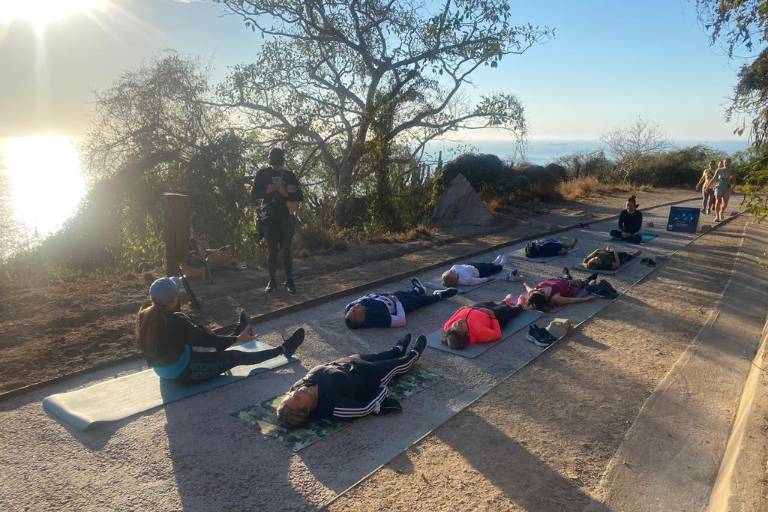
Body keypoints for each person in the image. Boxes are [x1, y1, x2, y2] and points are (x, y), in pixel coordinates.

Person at [136, 277, 305, 383]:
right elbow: (210, 342)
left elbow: (199, 338)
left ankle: (238, 332)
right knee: (234, 357)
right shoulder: (177, 322)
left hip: (164, 370)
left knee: (202, 335)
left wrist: (234, 337)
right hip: (182, 373)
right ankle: (282, 349)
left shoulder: (145, 315)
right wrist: (239, 339)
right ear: (174, 299)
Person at [276, 334, 428, 428]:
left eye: (290, 394)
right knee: (398, 364)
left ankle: (397, 349)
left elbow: (291, 396)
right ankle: (414, 354)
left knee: (383, 354)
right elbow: (364, 408)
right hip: (370, 376)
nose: (295, 392)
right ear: (307, 410)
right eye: (296, 397)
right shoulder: (330, 407)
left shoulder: (298, 387)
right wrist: (383, 389)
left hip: (350, 361)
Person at [251, 147, 303, 293]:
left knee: (287, 248)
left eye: (278, 161)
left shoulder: (289, 175)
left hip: (286, 215)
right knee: (272, 249)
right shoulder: (262, 174)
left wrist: (284, 191)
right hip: (269, 216)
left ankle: (289, 280)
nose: (277, 165)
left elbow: (298, 196)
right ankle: (272, 280)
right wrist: (268, 190)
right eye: (274, 161)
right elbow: (254, 194)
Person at [344, 278, 458, 329]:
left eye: (351, 309)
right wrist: (397, 303)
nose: (355, 306)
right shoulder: (376, 318)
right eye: (355, 310)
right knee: (420, 301)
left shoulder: (350, 308)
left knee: (406, 293)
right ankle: (439, 295)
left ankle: (418, 290)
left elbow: (356, 303)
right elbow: (401, 321)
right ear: (362, 318)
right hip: (400, 304)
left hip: (384, 296)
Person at [442, 298, 523, 349]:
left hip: (477, 308)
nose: (458, 321)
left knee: (491, 302)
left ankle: (505, 301)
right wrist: (492, 316)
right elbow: (497, 335)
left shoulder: (447, 326)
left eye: (455, 324)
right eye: (460, 325)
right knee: (506, 309)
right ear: (466, 334)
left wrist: (463, 308)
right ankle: (520, 304)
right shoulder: (480, 333)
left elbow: (457, 313)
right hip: (494, 315)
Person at [522, 269, 597, 311]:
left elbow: (530, 290)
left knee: (564, 277)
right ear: (544, 297)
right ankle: (589, 279)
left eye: (537, 289)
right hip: (570, 286)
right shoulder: (555, 298)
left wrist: (525, 285)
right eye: (541, 291)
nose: (539, 289)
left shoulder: (535, 293)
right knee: (582, 282)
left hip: (558, 280)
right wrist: (585, 299)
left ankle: (567, 276)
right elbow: (572, 300)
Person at [441, 254, 508, 287]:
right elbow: (477, 281)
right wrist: (487, 279)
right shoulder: (465, 279)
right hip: (479, 271)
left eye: (450, 271)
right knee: (490, 269)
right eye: (452, 272)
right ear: (455, 278)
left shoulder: (453, 269)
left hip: (470, 266)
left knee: (485, 264)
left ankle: (493, 263)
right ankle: (501, 265)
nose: (451, 270)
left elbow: (454, 269)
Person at [712, 158, 736, 222]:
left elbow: (734, 181)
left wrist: (733, 187)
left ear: (730, 163)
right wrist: (708, 186)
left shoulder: (732, 171)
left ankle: (721, 212)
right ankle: (717, 216)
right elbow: (714, 178)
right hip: (719, 186)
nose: (726, 163)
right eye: (725, 162)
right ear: (723, 163)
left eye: (728, 162)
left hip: (727, 187)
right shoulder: (719, 170)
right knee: (718, 200)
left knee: (725, 203)